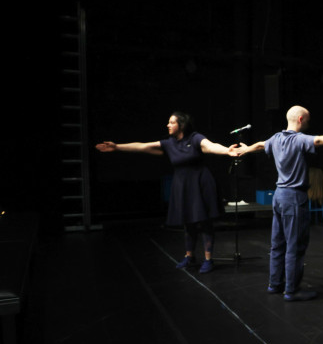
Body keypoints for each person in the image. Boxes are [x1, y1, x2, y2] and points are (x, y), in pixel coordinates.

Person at [96, 111, 240, 273]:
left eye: (171, 122)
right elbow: (143, 146)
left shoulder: (195, 138)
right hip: (182, 185)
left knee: (204, 221)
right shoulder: (169, 143)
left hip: (200, 183)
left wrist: (227, 151)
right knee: (188, 221)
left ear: (182, 125)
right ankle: (189, 256)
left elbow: (211, 146)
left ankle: (208, 259)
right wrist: (117, 147)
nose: (168, 125)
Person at [235, 105, 323, 301]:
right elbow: (318, 140)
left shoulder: (276, 138)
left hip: (279, 196)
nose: (308, 123)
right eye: (307, 119)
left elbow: (259, 145)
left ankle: (275, 284)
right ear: (300, 119)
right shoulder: (299, 139)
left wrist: (246, 149)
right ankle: (291, 290)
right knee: (295, 245)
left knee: (278, 244)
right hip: (294, 197)